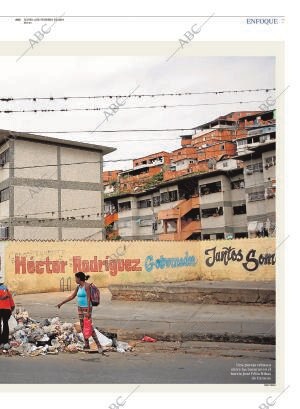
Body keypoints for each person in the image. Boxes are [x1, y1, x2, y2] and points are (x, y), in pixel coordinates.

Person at [57, 272, 107, 356]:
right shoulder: (78, 287)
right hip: (79, 308)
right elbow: (72, 296)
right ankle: (87, 344)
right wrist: (62, 303)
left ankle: (99, 345)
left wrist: (88, 311)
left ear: (79, 278)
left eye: (76, 278)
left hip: (87, 308)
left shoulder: (87, 286)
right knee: (83, 326)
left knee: (89, 327)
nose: (75, 280)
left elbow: (88, 298)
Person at [0, 274, 15, 348]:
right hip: (7, 309)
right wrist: (12, 308)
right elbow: (11, 300)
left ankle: (1, 342)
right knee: (5, 324)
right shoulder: (5, 288)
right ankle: (5, 341)